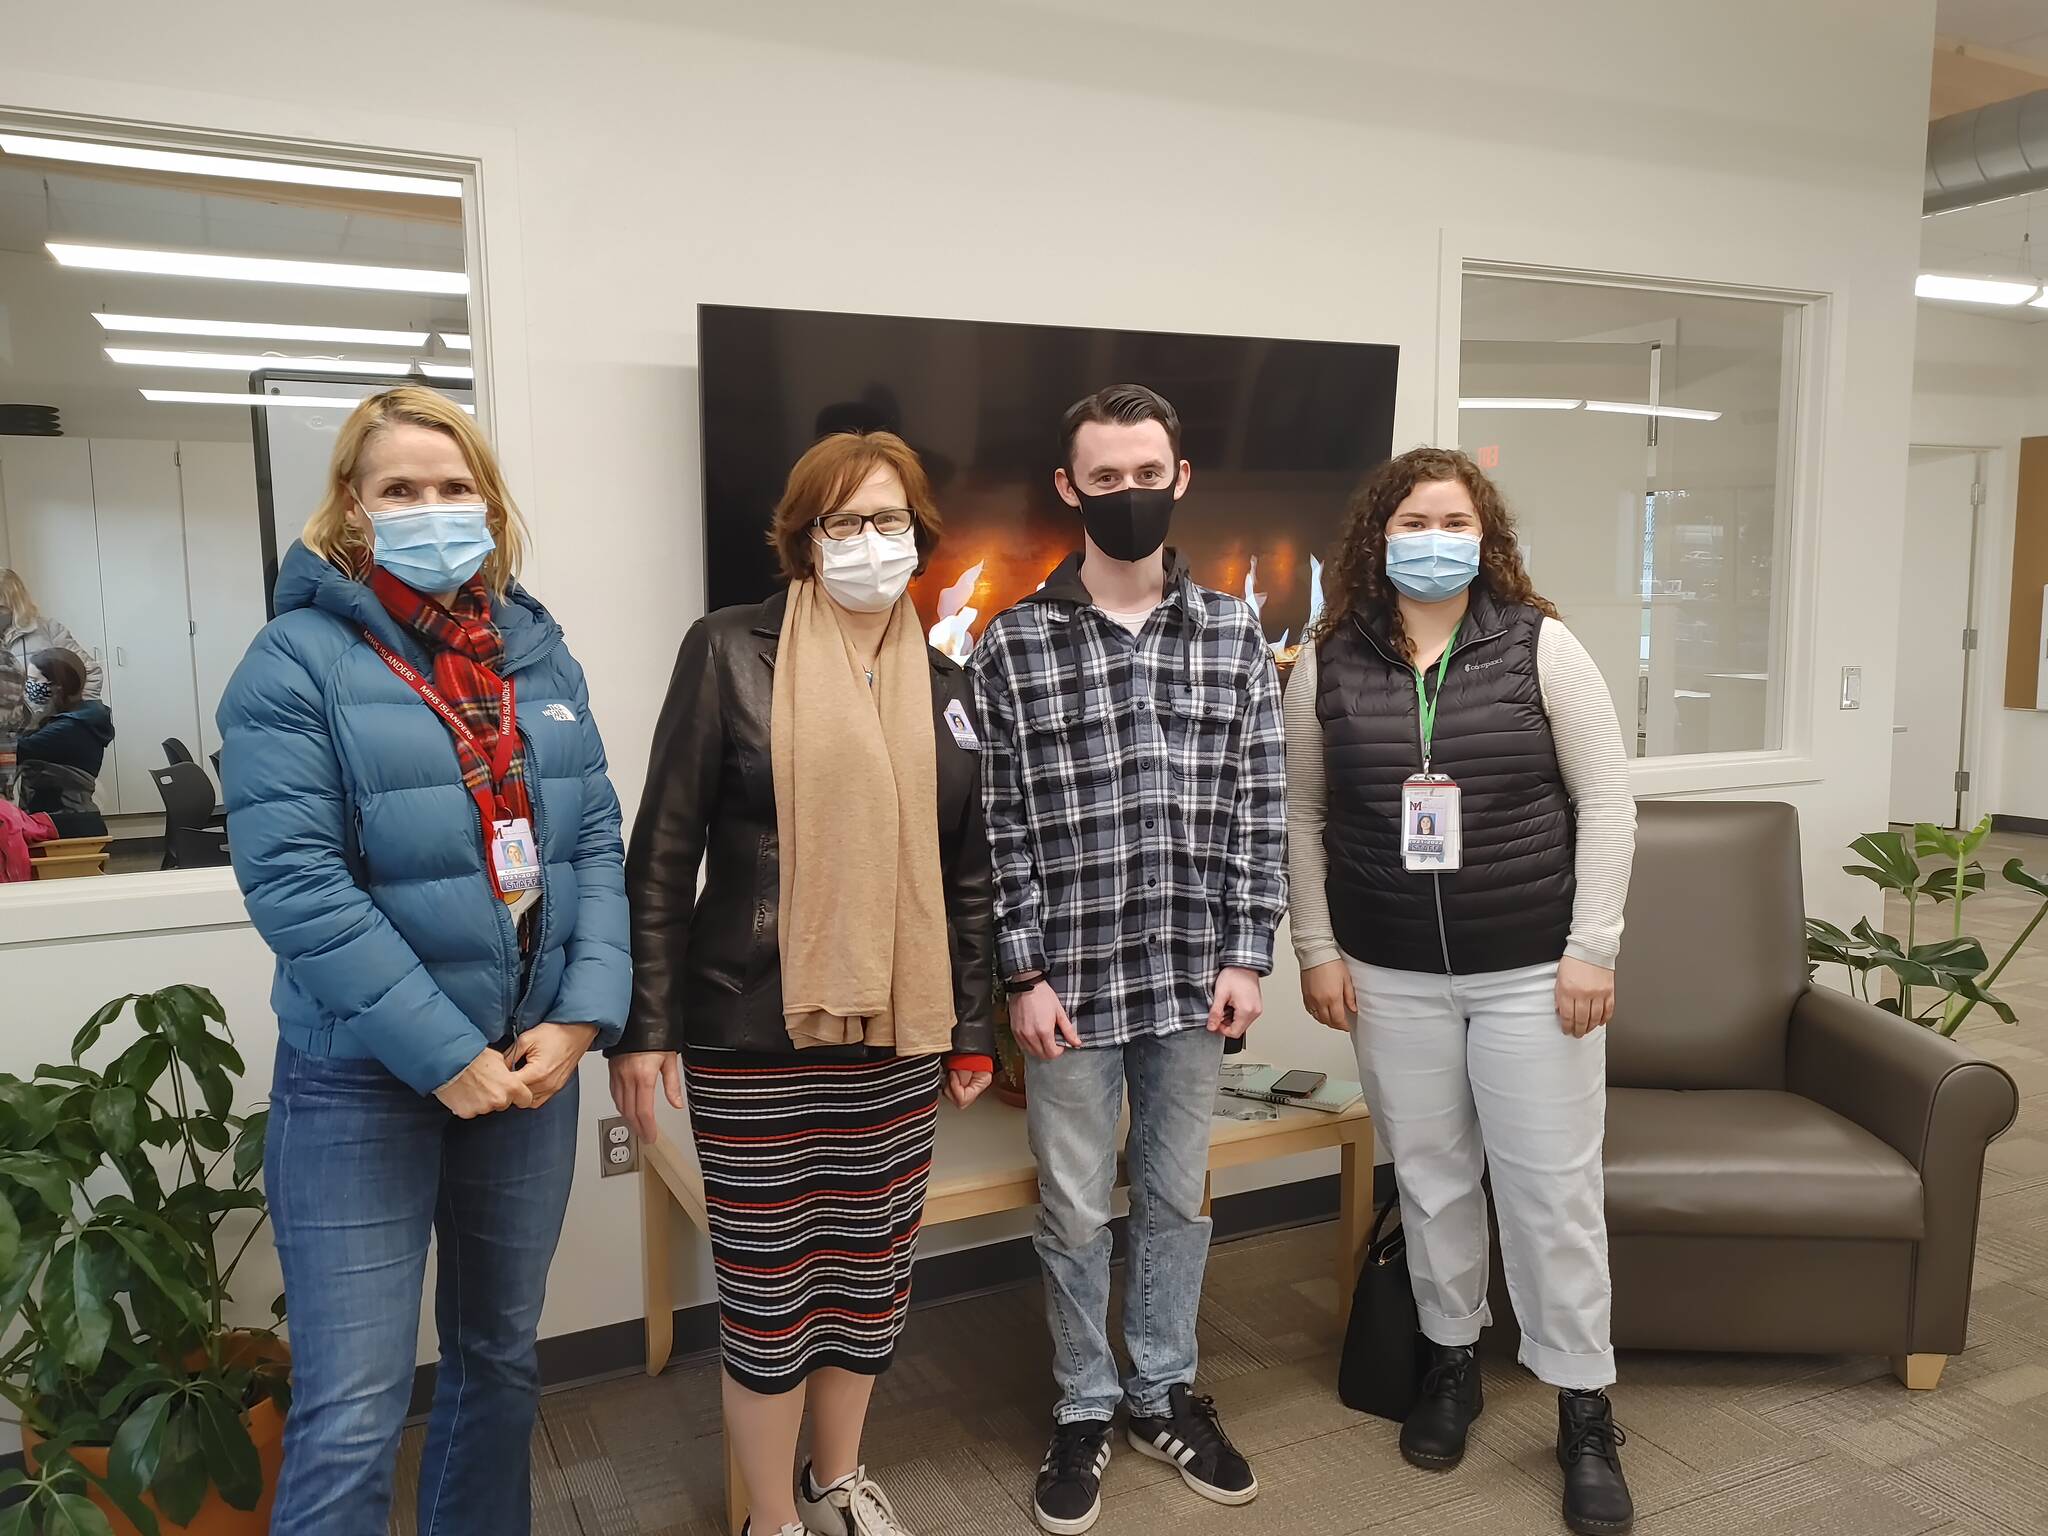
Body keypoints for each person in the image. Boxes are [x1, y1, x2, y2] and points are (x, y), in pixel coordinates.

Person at [217, 386, 630, 1536]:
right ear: (352, 512)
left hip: (529, 1070)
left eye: (454, 489)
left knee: (499, 1364)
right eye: (400, 489)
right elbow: (297, 886)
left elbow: (594, 841)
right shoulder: (290, 664)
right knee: (351, 1407)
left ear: (490, 509)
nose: (431, 510)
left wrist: (585, 1016)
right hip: (362, 1081)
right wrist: (443, 1051)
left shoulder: (537, 656)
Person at [611, 430, 996, 1536]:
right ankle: (767, 1519)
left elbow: (967, 873)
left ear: (919, 537)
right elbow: (663, 848)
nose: (867, 543)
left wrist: (969, 1026)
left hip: (897, 1037)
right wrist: (647, 1026)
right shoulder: (729, 649)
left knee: (869, 1284)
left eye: (887, 522)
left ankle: (839, 1484)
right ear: (803, 537)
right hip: (750, 1022)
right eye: (842, 522)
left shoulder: (950, 683)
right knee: (774, 1297)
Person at [1284, 447, 1638, 1536]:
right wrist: (1315, 948)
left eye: (1453, 520)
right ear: (1376, 537)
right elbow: (1300, 817)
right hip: (1391, 973)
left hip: (1533, 971)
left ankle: (1584, 1409)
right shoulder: (1326, 661)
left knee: (1550, 1195)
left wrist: (1591, 949)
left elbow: (1608, 803)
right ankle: (1450, 1363)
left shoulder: (1541, 646)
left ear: (1482, 539)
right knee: (1431, 1181)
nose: (1433, 537)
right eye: (1412, 519)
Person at [969, 384, 1287, 1535]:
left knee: (1169, 1199)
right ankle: (1082, 1403)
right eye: (1104, 478)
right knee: (1070, 1209)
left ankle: (1158, 1389)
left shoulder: (1233, 632)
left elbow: (1260, 798)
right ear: (1069, 489)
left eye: (1144, 474)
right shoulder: (1009, 644)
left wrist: (1249, 955)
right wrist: (1021, 974)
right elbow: (996, 826)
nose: (1127, 495)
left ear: (1178, 477)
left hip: (1194, 980)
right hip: (1068, 985)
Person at [0, 567, 102, 796]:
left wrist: (65, 720)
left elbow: (90, 673)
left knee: (42, 804)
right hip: (9, 737)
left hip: (42, 738)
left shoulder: (47, 629)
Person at [15, 648, 115, 836]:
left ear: (58, 686)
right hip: (63, 822)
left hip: (65, 827)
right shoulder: (71, 719)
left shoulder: (69, 728)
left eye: (35, 681)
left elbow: (18, 749)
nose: (29, 686)